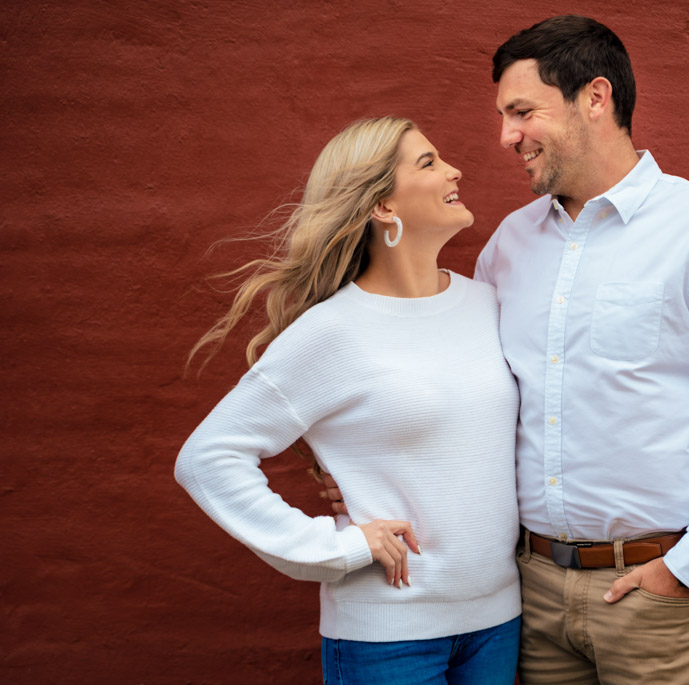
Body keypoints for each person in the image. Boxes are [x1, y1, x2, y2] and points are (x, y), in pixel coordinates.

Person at [477, 15, 689, 685]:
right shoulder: (507, 246)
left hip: (661, 602)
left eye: (522, 112)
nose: (506, 135)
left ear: (594, 99)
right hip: (531, 597)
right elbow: (471, 396)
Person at [175, 117, 522, 685]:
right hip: (388, 635)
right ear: (384, 207)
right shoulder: (332, 332)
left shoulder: (487, 304)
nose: (455, 169)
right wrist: (332, 547)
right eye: (429, 163)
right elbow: (207, 458)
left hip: (500, 622)